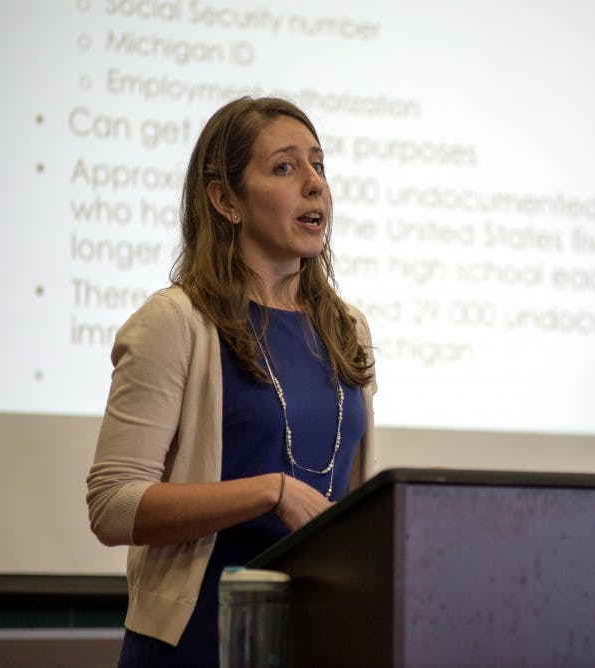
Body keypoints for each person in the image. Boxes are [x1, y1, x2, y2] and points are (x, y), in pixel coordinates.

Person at [86, 96, 376, 667]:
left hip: (318, 641)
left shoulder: (348, 328)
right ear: (225, 200)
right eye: (286, 168)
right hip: (198, 642)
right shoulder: (176, 323)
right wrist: (269, 491)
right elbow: (113, 506)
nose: (315, 185)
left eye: (319, 165)